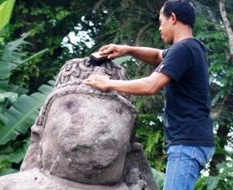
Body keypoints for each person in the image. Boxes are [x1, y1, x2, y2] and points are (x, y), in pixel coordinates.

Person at [84, 0, 215, 190]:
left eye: (161, 21)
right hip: (193, 141)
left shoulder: (183, 49)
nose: (160, 27)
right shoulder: (192, 48)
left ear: (173, 18)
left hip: (187, 143)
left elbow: (151, 85)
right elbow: (156, 56)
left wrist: (107, 83)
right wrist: (126, 49)